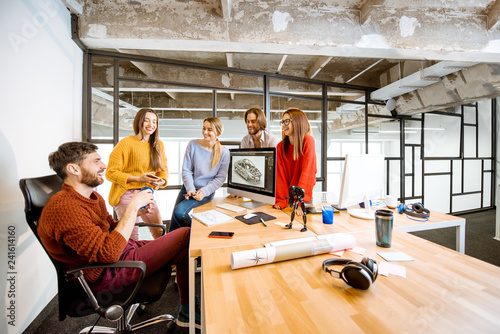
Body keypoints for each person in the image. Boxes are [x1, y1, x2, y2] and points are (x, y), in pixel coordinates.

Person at [38, 142, 198, 328]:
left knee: (183, 247)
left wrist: (136, 212)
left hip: (119, 255)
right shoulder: (64, 207)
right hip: (105, 274)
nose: (104, 166)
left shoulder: (92, 198)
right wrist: (132, 206)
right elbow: (108, 254)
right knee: (185, 234)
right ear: (73, 168)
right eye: (96, 161)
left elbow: (112, 228)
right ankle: (189, 310)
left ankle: (187, 312)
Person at [106, 108, 167, 241]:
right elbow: (110, 173)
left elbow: (163, 171)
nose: (151, 125)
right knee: (131, 239)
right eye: (147, 120)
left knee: (160, 232)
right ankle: (135, 262)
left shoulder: (158, 145)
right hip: (126, 194)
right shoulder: (125, 144)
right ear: (139, 122)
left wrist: (160, 181)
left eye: (154, 122)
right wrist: (138, 179)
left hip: (146, 193)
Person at [169, 117, 230, 232]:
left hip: (206, 192)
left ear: (217, 132)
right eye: (203, 128)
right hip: (188, 187)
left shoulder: (224, 152)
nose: (205, 132)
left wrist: (204, 192)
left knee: (179, 212)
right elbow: (186, 170)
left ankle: (195, 235)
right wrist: (190, 188)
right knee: (173, 224)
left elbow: (220, 179)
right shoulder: (193, 144)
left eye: (209, 130)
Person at [273, 108, 317, 216]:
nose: (283, 125)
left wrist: (299, 201)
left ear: (297, 122)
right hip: (287, 197)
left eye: (287, 121)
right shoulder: (280, 146)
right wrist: (281, 200)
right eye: (282, 122)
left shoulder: (308, 141)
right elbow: (280, 177)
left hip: (303, 197)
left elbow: (307, 173)